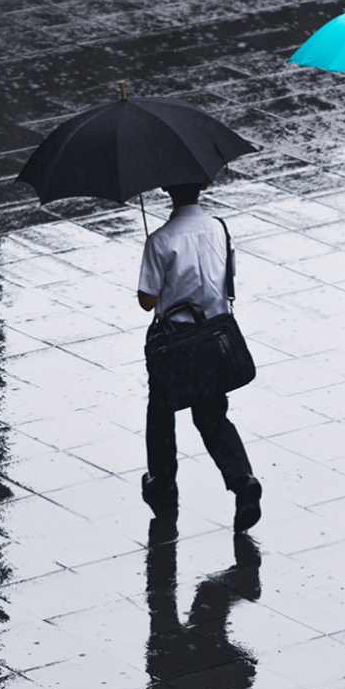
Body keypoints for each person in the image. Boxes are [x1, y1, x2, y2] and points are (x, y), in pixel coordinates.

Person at [137, 183, 262, 531]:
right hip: (214, 340)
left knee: (161, 413)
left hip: (177, 344)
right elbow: (228, 279)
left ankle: (163, 484)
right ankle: (243, 482)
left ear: (163, 189)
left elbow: (147, 300)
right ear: (203, 185)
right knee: (212, 417)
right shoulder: (219, 228)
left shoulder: (160, 240)